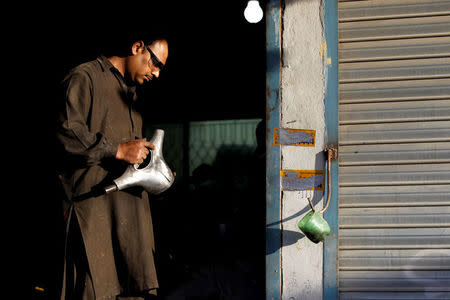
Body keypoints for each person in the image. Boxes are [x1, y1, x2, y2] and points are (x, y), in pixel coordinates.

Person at [56, 38, 169, 299]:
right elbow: (66, 134)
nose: (157, 73)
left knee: (133, 287)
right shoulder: (85, 77)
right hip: (93, 217)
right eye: (155, 63)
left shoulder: (133, 94)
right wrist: (116, 150)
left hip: (130, 224)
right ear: (137, 47)